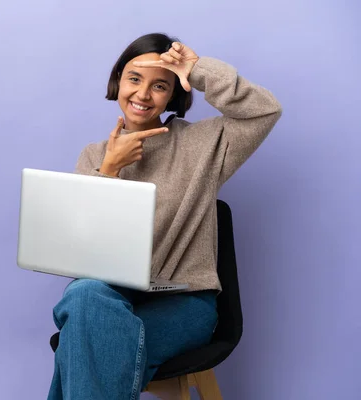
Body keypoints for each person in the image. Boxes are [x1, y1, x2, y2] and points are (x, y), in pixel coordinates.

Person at [46, 32, 282, 400]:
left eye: (159, 85)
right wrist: (109, 171)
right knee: (85, 295)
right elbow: (82, 252)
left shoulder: (202, 144)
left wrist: (198, 69)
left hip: (183, 304)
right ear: (118, 82)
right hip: (111, 298)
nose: (142, 94)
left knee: (83, 343)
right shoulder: (94, 156)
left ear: (174, 94)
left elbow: (264, 110)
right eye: (134, 79)